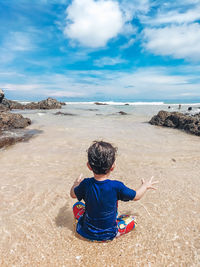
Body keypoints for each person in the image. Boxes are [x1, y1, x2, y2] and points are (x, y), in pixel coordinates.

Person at [70, 141, 158, 242]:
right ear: (113, 166)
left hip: (85, 232)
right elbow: (137, 196)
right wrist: (145, 186)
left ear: (89, 166)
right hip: (109, 234)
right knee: (132, 219)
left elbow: (72, 194)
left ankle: (86, 227)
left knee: (77, 205)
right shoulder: (116, 186)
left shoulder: (85, 183)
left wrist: (75, 184)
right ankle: (119, 230)